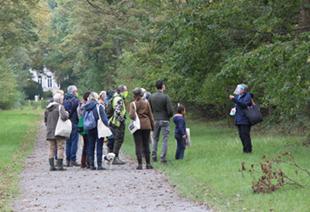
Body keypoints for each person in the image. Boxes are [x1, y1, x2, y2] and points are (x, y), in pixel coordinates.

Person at [129, 88, 155, 170]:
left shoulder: (132, 104)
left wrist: (133, 113)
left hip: (137, 126)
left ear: (134, 95)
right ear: (141, 94)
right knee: (146, 144)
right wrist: (153, 126)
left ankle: (140, 164)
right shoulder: (146, 103)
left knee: (138, 145)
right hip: (146, 125)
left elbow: (132, 116)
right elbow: (150, 115)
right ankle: (148, 164)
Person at [149, 80, 173, 163]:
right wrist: (168, 116)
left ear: (156, 87)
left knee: (155, 139)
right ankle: (163, 158)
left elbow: (150, 109)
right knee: (164, 139)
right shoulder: (166, 97)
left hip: (155, 119)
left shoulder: (151, 97)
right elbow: (170, 111)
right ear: (162, 86)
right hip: (165, 119)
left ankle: (154, 156)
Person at [84, 92, 109, 170]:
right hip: (98, 127)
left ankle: (91, 164)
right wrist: (108, 125)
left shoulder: (86, 107)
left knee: (90, 145)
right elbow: (104, 118)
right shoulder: (99, 106)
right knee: (99, 146)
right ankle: (99, 164)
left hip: (90, 127)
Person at [44, 92, 69, 171]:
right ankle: (59, 165)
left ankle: (52, 166)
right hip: (59, 130)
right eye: (62, 99)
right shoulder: (60, 107)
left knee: (51, 148)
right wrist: (67, 113)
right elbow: (64, 117)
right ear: (59, 100)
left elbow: (45, 120)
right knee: (60, 147)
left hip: (50, 131)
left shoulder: (48, 108)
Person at [229, 84, 253, 153]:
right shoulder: (238, 96)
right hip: (238, 119)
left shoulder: (248, 96)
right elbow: (238, 105)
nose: (237, 90)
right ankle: (245, 149)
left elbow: (244, 105)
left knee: (245, 135)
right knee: (241, 135)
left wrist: (234, 99)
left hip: (245, 119)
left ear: (243, 90)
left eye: (239, 88)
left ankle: (248, 150)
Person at [109, 85, 128, 165]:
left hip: (114, 122)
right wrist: (122, 120)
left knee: (115, 139)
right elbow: (117, 112)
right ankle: (115, 157)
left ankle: (113, 157)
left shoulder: (115, 97)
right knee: (118, 139)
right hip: (117, 123)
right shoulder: (119, 99)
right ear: (121, 91)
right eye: (125, 91)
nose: (126, 92)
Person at [64, 85, 80, 167]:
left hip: (66, 122)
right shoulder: (75, 100)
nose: (77, 92)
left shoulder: (64, 99)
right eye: (76, 91)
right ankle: (72, 159)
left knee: (68, 141)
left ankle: (67, 159)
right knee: (74, 141)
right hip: (74, 122)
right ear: (73, 92)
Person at [77, 91, 91, 168]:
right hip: (87, 125)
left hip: (81, 125)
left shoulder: (80, 105)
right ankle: (88, 161)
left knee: (85, 144)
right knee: (89, 144)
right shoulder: (87, 106)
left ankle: (83, 162)